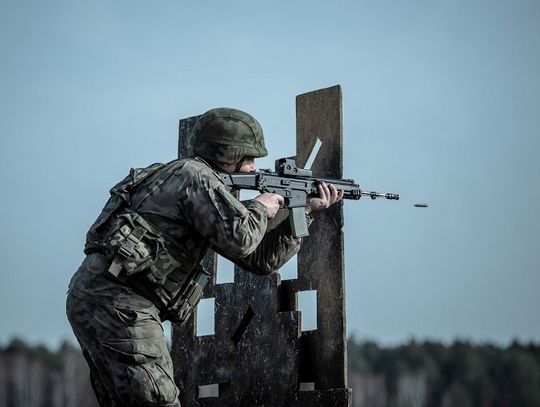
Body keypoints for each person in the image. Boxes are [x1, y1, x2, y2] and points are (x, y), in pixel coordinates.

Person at [66, 107, 343, 406]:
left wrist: (306, 212)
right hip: (121, 303)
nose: (252, 168)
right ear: (227, 153)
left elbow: (259, 260)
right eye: (248, 158)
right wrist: (262, 207)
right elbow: (242, 239)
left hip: (101, 297)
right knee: (158, 401)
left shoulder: (192, 178)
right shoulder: (195, 177)